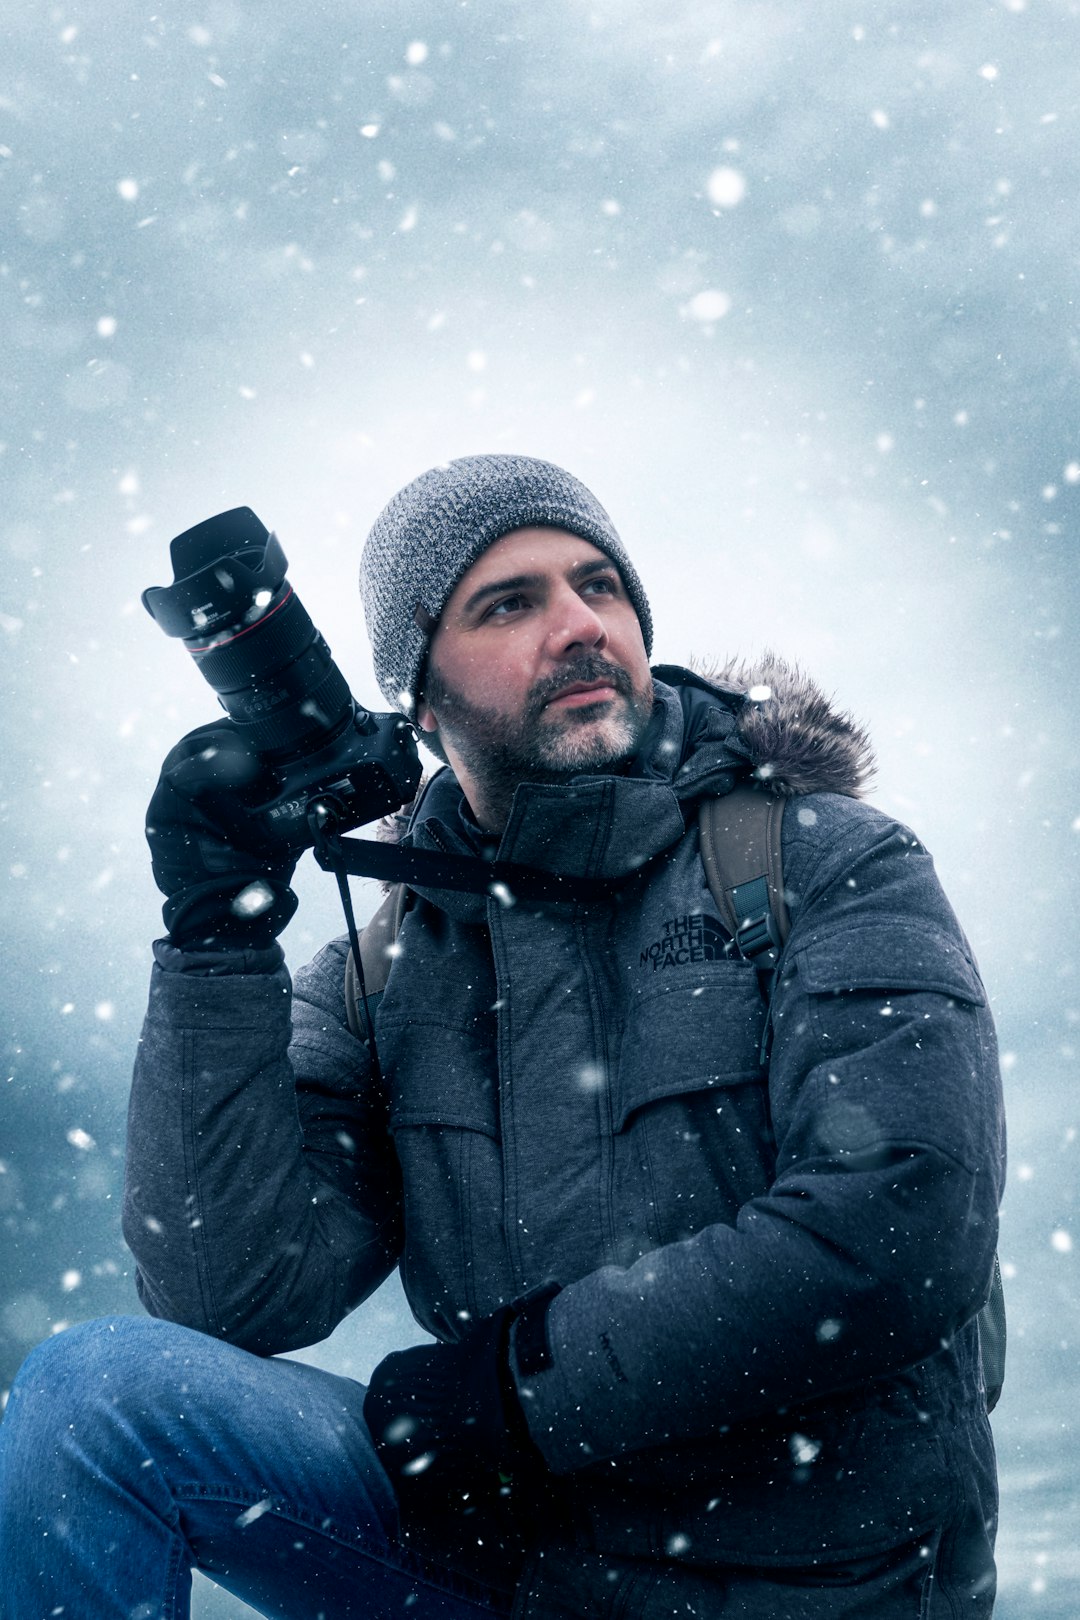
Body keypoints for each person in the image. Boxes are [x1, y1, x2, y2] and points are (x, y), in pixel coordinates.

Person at [0, 455, 1005, 1618]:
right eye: (509, 603)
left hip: (813, 1583)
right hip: (514, 1566)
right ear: (417, 699)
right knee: (98, 1400)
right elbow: (235, 1299)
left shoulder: (821, 860)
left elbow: (900, 1226)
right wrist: (215, 945)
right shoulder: (383, 971)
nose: (579, 626)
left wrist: (516, 1392)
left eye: (600, 588)